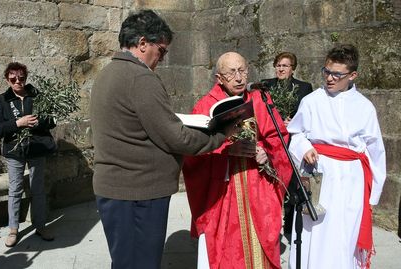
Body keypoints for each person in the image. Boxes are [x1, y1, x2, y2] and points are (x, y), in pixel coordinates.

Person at [89, 10, 232, 269]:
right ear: (143, 43)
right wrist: (219, 136)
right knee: (140, 263)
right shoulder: (140, 77)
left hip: (119, 189)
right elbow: (174, 137)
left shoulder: (108, 73)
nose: (162, 59)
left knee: (125, 260)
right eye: (162, 51)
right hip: (138, 193)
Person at [182, 52, 293, 269]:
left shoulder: (260, 100)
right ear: (219, 78)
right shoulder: (205, 105)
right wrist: (224, 148)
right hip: (221, 188)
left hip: (257, 184)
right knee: (223, 246)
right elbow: (193, 150)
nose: (239, 78)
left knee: (261, 238)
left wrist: (266, 154)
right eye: (231, 73)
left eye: (242, 71)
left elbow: (278, 136)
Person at [287, 44, 386, 269]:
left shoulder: (364, 107)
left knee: (344, 234)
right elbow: (296, 133)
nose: (330, 78)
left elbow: (375, 150)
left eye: (337, 74)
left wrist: (373, 196)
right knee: (316, 232)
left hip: (351, 180)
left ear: (352, 75)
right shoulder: (312, 100)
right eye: (327, 71)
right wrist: (304, 149)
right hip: (320, 174)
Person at [0, 62, 56, 247]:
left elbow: (51, 120)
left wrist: (38, 122)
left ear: (26, 78)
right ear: (7, 79)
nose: (17, 81)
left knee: (38, 189)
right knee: (15, 189)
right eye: (13, 78)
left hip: (37, 148)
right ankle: (13, 229)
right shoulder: (2, 100)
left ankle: (41, 225)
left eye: (21, 78)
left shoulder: (37, 96)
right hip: (15, 150)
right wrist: (18, 123)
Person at [262, 52, 313, 239]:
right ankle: (269, 225)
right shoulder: (266, 85)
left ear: (293, 69)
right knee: (271, 184)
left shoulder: (304, 88)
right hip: (272, 141)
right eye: (278, 65)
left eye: (285, 66)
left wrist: (293, 122)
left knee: (293, 185)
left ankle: (290, 227)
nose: (281, 69)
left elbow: (308, 115)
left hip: (292, 142)